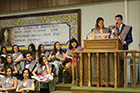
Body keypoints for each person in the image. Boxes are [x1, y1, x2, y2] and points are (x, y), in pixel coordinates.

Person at [109, 14, 133, 87]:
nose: (117, 21)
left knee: (122, 66)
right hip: (115, 49)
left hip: (123, 49)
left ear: (121, 20)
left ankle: (123, 82)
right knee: (115, 66)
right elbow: (110, 37)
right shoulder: (114, 28)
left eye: (119, 20)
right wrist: (113, 31)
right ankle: (116, 82)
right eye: (116, 20)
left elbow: (130, 39)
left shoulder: (126, 28)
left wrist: (124, 42)